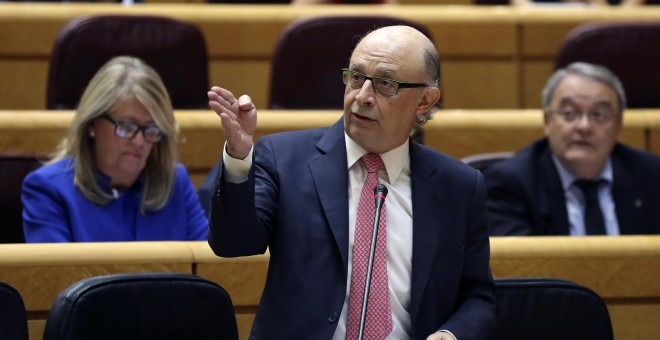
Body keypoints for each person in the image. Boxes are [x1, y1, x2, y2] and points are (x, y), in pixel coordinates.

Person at [206, 25, 496, 339]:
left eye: (385, 84)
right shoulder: (285, 159)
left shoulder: (459, 187)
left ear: (424, 100)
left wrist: (451, 334)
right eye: (356, 77)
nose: (362, 96)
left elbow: (478, 297)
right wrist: (238, 159)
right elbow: (233, 243)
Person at [22, 56, 208, 242]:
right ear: (92, 125)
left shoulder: (175, 184)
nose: (139, 141)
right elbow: (56, 271)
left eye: (151, 129)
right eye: (127, 127)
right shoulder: (49, 189)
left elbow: (211, 266)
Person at [485, 62, 660, 236]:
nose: (584, 126)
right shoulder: (511, 184)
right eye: (569, 113)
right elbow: (519, 263)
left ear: (618, 126)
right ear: (547, 121)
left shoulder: (652, 175)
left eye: (599, 114)